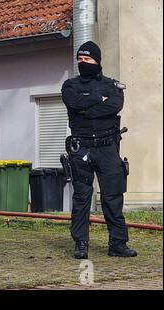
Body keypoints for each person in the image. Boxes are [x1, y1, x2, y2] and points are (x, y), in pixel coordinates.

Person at [61, 41, 137, 259]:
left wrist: (85, 109)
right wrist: (96, 101)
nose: (83, 63)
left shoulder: (112, 86)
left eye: (87, 59)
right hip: (81, 148)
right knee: (82, 197)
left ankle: (118, 244)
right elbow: (73, 104)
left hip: (107, 148)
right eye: (80, 59)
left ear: (97, 60)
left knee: (113, 197)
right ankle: (81, 244)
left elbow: (114, 106)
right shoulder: (70, 85)